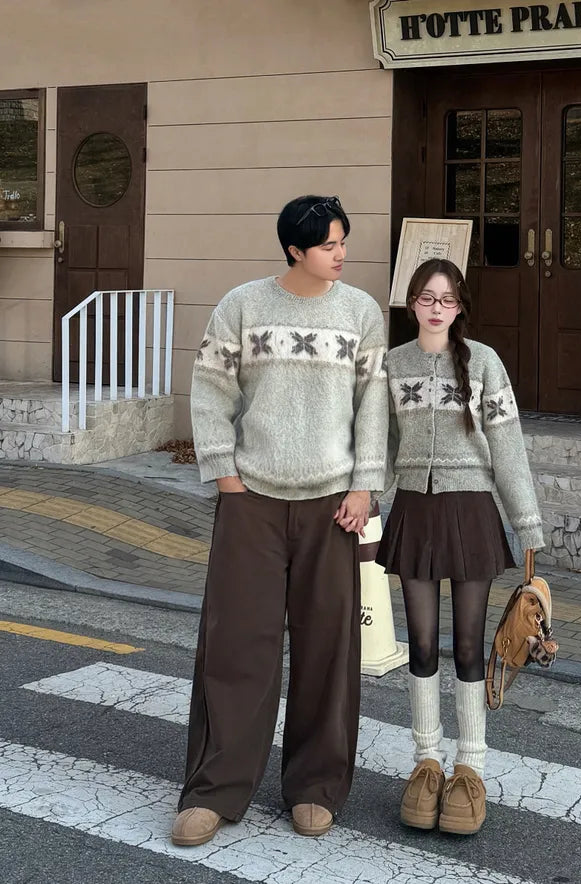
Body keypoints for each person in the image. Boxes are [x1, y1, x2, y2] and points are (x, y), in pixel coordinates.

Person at [172, 195, 388, 846]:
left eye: (343, 241)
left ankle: (316, 787)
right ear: (295, 250)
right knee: (237, 646)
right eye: (328, 245)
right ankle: (214, 790)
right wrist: (225, 477)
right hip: (252, 502)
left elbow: (373, 402)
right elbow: (211, 390)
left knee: (328, 650)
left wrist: (365, 485)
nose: (341, 254)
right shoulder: (241, 306)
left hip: (333, 506)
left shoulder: (361, 312)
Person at [376, 258, 544, 836]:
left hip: (472, 512)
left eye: (446, 299)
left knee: (469, 646)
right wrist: (363, 497)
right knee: (421, 644)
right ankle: (426, 764)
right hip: (414, 512)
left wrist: (527, 523)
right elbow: (381, 444)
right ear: (412, 303)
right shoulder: (393, 365)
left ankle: (470, 769)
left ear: (460, 306)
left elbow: (508, 445)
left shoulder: (486, 363)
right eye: (426, 297)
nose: (436, 308)